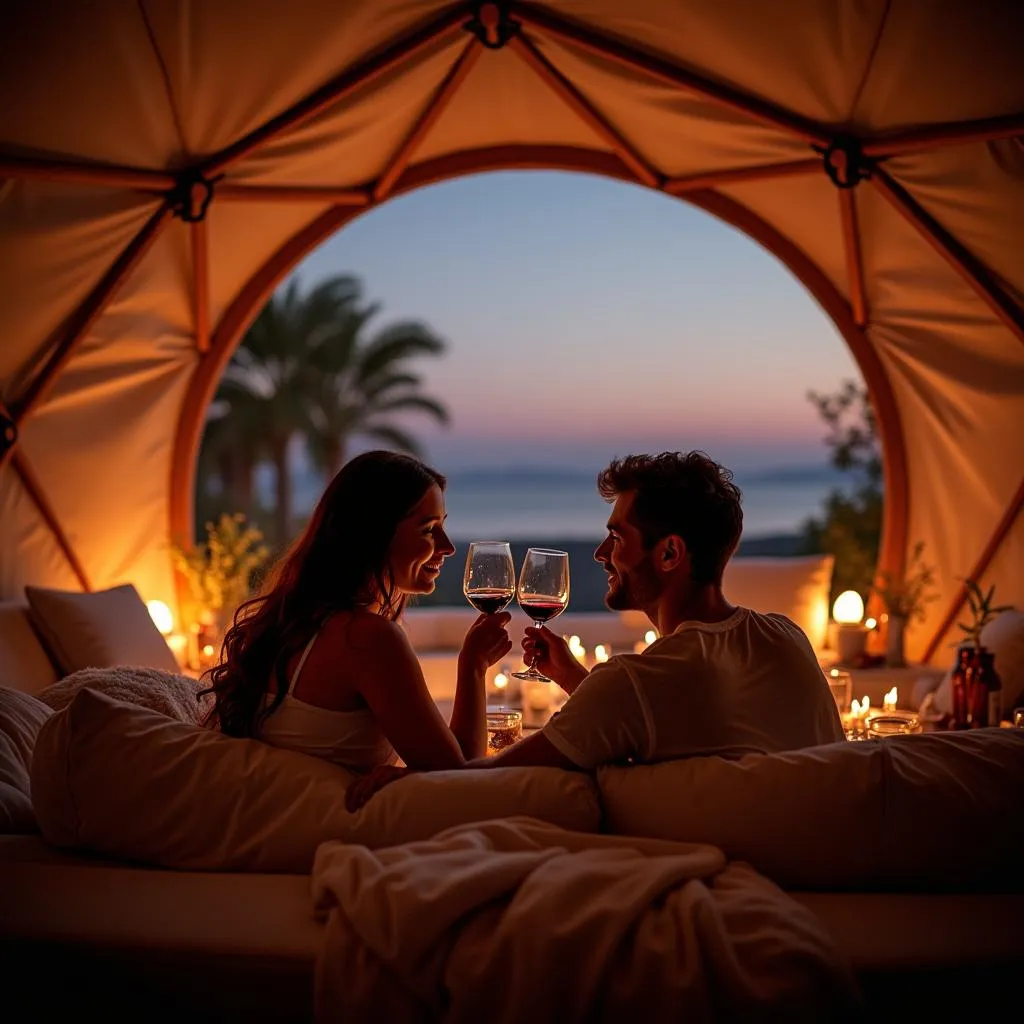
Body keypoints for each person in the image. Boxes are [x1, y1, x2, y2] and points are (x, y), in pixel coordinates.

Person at [345, 450, 844, 810]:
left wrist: (405, 784)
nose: (600, 555)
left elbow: (474, 782)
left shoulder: (634, 682)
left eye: (615, 537)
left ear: (669, 553)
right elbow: (671, 712)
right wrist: (577, 681)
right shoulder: (787, 637)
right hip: (826, 861)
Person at [202, 450, 513, 773]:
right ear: (374, 535)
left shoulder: (295, 619)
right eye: (427, 529)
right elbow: (459, 777)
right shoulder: (367, 639)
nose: (447, 546)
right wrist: (473, 666)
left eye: (442, 526)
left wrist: (406, 777)